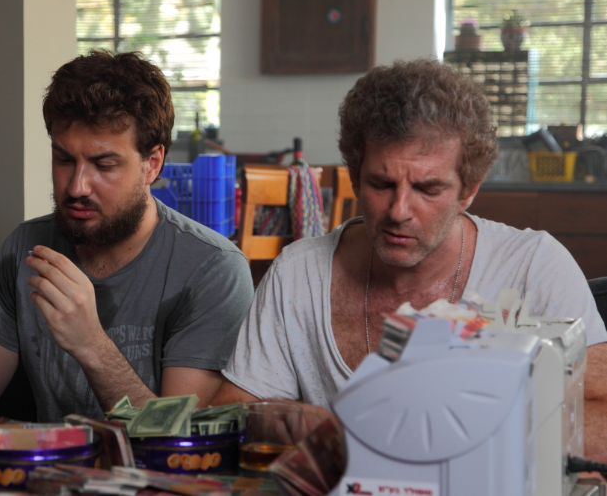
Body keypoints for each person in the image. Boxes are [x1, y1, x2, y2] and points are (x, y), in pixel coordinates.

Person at [213, 57, 607, 460]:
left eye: (428, 189)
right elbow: (229, 415)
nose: (399, 211)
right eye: (381, 183)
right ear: (355, 177)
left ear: (469, 190)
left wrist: (464, 422)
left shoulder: (534, 267)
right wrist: (287, 421)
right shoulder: (298, 274)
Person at [0, 51, 254, 424]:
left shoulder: (212, 270)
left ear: (153, 165)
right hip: (47, 460)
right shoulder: (24, 249)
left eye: (104, 165)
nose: (77, 186)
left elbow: (179, 438)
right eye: (64, 160)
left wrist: (92, 345)